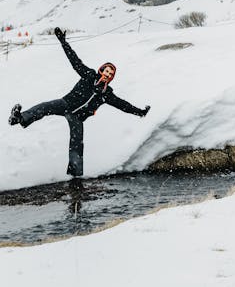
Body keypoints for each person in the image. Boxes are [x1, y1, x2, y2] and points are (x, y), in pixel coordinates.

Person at [9, 27, 150, 177]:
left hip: (77, 117)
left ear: (111, 77)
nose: (107, 74)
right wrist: (63, 42)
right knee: (45, 107)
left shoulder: (106, 94)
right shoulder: (89, 75)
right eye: (106, 70)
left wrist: (140, 112)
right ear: (101, 70)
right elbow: (75, 61)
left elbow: (123, 105)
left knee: (77, 142)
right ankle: (20, 118)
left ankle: (75, 174)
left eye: (111, 73)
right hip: (66, 103)